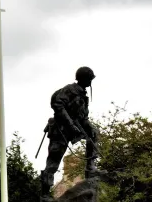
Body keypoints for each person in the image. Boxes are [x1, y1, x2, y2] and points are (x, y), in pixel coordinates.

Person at [40, 66, 104, 201]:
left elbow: (83, 117)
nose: (90, 82)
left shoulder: (83, 95)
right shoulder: (69, 89)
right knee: (53, 161)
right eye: (89, 79)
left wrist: (89, 127)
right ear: (84, 79)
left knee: (93, 134)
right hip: (61, 129)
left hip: (74, 127)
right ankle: (45, 193)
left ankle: (90, 169)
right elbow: (58, 105)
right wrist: (70, 124)